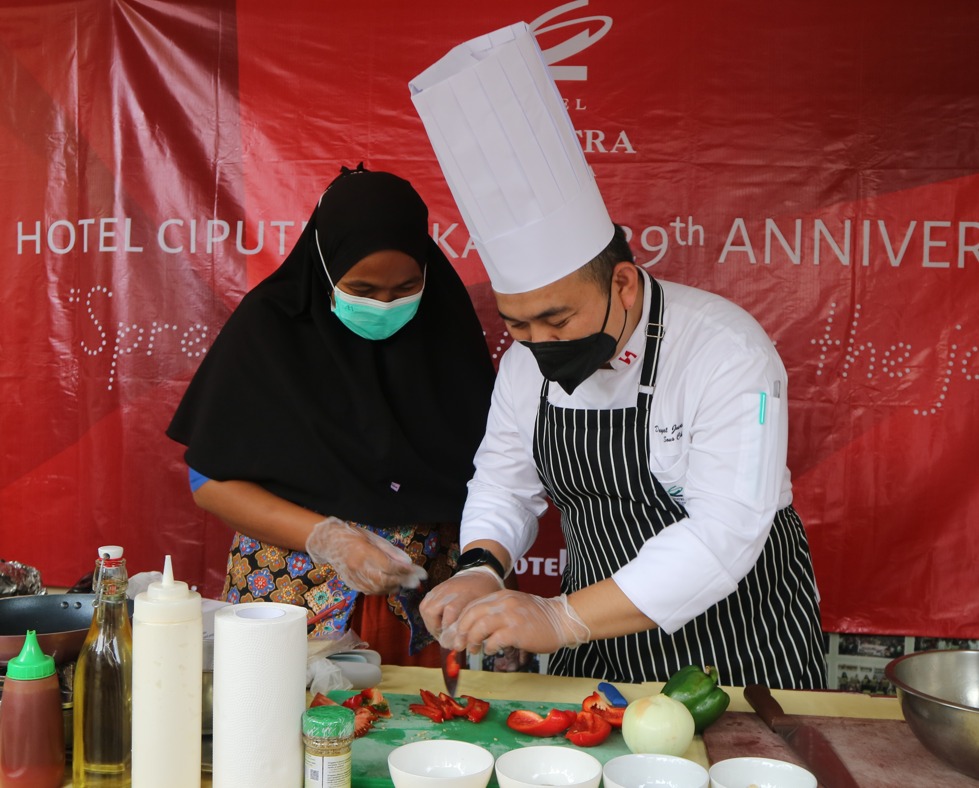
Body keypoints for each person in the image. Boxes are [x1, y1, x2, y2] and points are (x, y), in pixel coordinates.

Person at [410, 23, 827, 687]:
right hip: (601, 650)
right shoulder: (524, 367)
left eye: (557, 318)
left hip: (740, 652)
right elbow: (502, 482)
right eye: (518, 326)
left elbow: (725, 532)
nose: (539, 345)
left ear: (623, 284)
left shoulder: (725, 351)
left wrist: (561, 619)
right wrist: (480, 568)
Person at [166, 165, 495, 666]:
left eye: (405, 288)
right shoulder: (270, 329)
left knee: (433, 737)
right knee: (282, 729)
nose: (385, 305)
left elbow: (500, 475)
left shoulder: (446, 327)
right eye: (362, 290)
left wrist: (483, 575)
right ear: (323, 265)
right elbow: (210, 480)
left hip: (432, 600)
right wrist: (327, 539)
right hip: (291, 593)